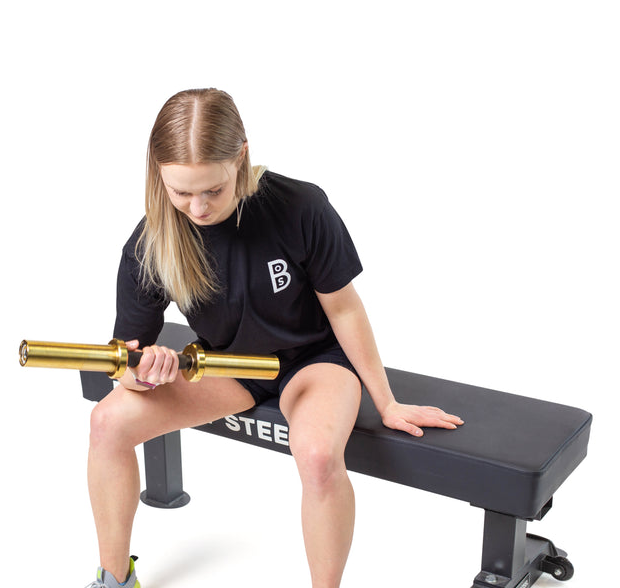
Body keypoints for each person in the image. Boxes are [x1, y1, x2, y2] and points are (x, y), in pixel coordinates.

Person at [86, 88, 463, 588]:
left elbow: (345, 308)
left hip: (315, 361)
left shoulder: (299, 206)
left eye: (213, 191)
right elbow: (126, 365)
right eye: (180, 192)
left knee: (317, 456)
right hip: (225, 366)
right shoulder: (150, 243)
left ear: (241, 155)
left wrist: (387, 401)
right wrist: (144, 376)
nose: (197, 208)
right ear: (158, 173)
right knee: (106, 422)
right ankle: (114, 578)